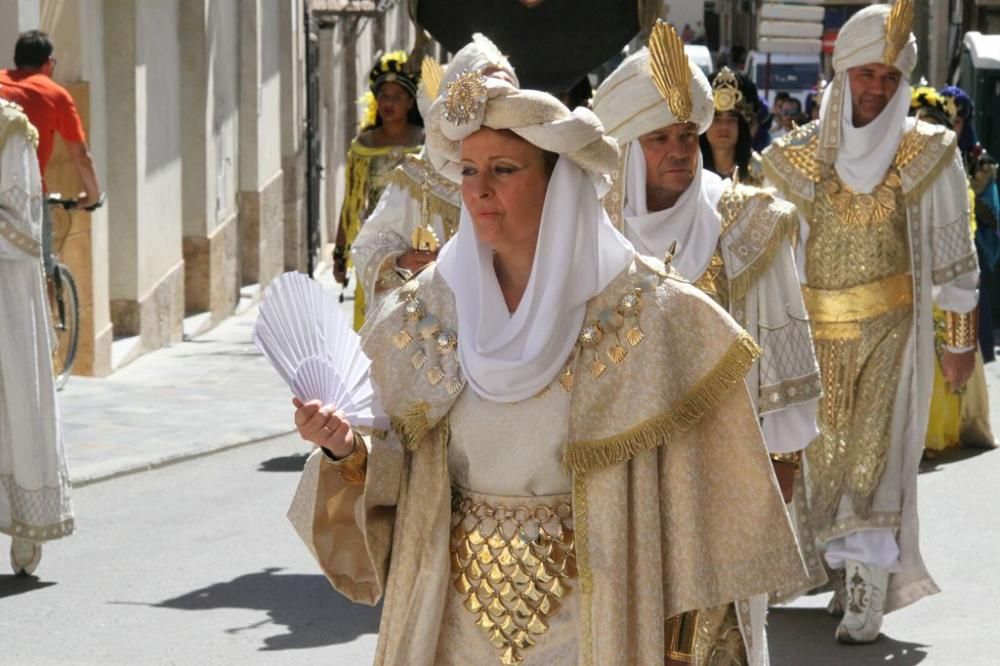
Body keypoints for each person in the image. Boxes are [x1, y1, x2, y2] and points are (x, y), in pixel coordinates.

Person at [288, 50, 805, 665]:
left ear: (558, 182)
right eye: (470, 170)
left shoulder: (657, 315)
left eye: (503, 170)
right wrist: (345, 451)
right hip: (452, 626)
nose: (478, 191)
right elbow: (392, 485)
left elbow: (701, 522)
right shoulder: (423, 315)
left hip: (601, 621)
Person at [592, 22, 819, 662]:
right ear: (628, 150)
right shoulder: (587, 236)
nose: (679, 151)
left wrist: (784, 461)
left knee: (715, 638)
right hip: (619, 475)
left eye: (687, 136)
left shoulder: (749, 223)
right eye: (658, 138)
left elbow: (786, 350)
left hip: (724, 470)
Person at [761, 1, 979, 643]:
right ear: (844, 72)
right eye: (866, 74)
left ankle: (867, 587)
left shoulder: (928, 151)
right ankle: (845, 569)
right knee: (820, 461)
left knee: (874, 462)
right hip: (813, 334)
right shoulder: (794, 158)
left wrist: (958, 341)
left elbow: (952, 251)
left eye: (889, 76)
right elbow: (770, 255)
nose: (877, 87)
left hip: (893, 330)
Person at [351, 35, 516, 318]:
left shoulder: (531, 170)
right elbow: (368, 247)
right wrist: (402, 261)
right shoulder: (416, 178)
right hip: (436, 331)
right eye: (485, 95)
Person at [0, 98, 74, 575]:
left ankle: (25, 536)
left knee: (16, 403)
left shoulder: (10, 128)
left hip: (5, 295)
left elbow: (23, 228)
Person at [909, 85, 997, 454]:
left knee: (943, 350)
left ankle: (936, 430)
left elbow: (967, 224)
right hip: (907, 278)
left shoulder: (962, 165)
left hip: (944, 275)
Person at [334, 50, 424, 330]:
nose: (389, 103)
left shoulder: (426, 144)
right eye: (384, 95)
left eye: (398, 96)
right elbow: (351, 204)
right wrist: (341, 254)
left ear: (410, 101)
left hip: (418, 244)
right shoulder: (364, 146)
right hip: (375, 247)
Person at [0, 30, 102, 269]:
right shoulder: (55, 95)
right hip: (24, 199)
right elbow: (81, 157)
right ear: (48, 64)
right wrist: (92, 196)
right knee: (38, 271)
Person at [699, 66, 765, 184]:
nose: (724, 126)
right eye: (716, 118)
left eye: (732, 119)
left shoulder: (764, 174)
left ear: (744, 126)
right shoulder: (689, 174)